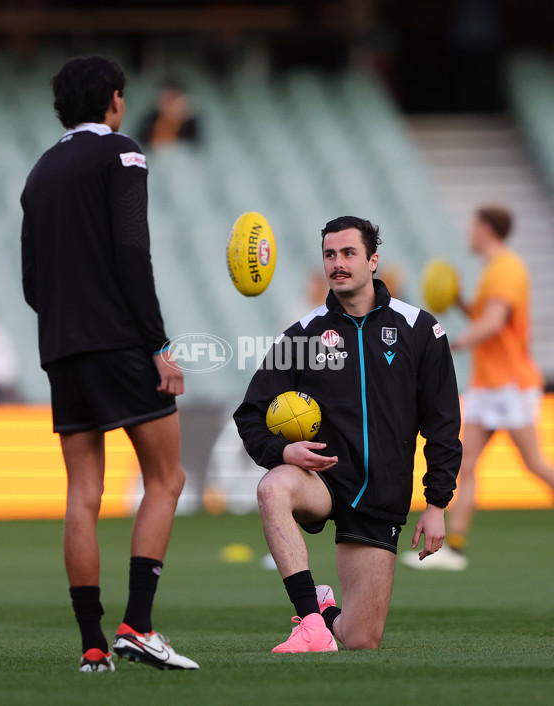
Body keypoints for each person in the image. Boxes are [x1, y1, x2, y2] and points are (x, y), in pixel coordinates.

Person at [21, 56, 198, 672]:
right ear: (115, 100)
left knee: (83, 495)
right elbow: (132, 251)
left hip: (60, 349)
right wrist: (156, 344)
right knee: (166, 479)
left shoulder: (39, 173)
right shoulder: (122, 153)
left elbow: (31, 284)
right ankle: (138, 626)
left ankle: (92, 645)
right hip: (119, 343)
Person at [233, 216, 462, 652]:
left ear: (373, 260)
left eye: (348, 253)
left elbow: (443, 423)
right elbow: (250, 414)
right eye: (329, 254)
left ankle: (324, 613)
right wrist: (283, 451)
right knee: (273, 488)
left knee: (360, 639)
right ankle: (310, 624)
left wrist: (436, 503)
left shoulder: (420, 330)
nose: (337, 263)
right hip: (322, 482)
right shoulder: (303, 335)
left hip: (380, 495)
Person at [402, 205, 554, 571]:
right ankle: (453, 546)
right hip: (489, 384)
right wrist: (460, 303)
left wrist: (457, 341)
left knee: (533, 463)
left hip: (509, 383)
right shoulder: (496, 269)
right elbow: (490, 317)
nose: (469, 233)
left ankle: (453, 545)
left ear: (486, 229)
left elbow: (496, 321)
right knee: (465, 463)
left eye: (473, 226)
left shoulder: (506, 267)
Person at [139, 83, 199, 150]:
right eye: (168, 100)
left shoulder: (189, 141)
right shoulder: (148, 124)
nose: (171, 106)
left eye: (175, 99)